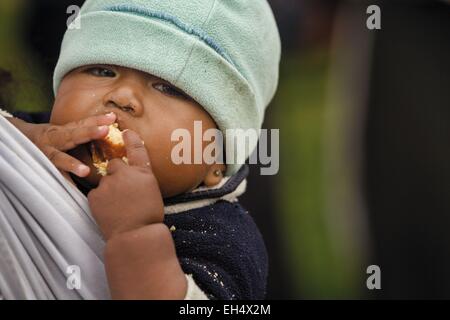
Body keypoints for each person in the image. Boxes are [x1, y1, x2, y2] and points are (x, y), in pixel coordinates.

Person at [0, 0, 281, 299]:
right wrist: (21, 139)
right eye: (102, 70)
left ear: (217, 161)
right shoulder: (35, 141)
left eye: (168, 88)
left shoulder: (223, 240)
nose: (122, 97)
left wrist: (135, 233)